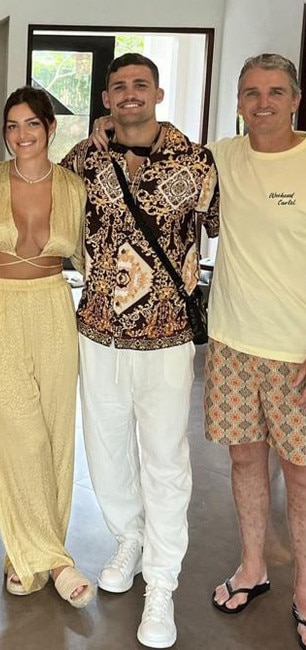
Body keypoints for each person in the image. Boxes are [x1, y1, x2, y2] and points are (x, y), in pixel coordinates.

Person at [60, 53, 219, 647]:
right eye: (119, 87)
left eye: (140, 85)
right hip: (98, 328)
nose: (130, 94)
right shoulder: (85, 158)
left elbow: (228, 230)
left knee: (165, 458)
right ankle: (128, 535)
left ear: (157, 92)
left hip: (168, 335)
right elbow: (45, 198)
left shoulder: (197, 162)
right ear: (106, 98)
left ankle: (162, 582)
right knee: (104, 449)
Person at [0, 86, 94, 608]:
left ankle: (25, 557)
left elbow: (94, 257)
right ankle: (57, 562)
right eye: (12, 126)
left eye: (31, 124)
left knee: (55, 435)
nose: (21, 135)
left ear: (51, 129)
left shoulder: (75, 186)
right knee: (20, 436)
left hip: (54, 307)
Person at [203, 53, 306, 649]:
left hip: (295, 351)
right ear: (238, 103)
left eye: (274, 91)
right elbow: (157, 159)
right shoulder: (222, 157)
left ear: (295, 99)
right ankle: (253, 567)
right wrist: (104, 131)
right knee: (245, 463)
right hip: (233, 342)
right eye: (250, 93)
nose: (261, 102)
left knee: (301, 475)